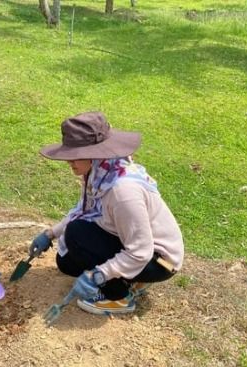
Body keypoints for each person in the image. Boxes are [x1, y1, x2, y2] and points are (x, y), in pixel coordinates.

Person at [30, 111, 184, 316]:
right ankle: (125, 276)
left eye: (75, 155)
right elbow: (83, 210)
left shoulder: (122, 192)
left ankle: (119, 297)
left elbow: (140, 251)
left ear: (95, 153)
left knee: (77, 234)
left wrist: (99, 275)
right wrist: (50, 234)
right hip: (127, 239)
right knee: (66, 262)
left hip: (158, 260)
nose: (69, 161)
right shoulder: (99, 173)